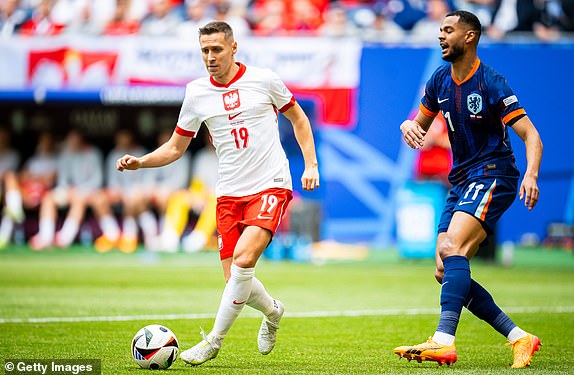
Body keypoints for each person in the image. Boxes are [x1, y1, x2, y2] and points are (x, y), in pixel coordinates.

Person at [116, 21, 319, 366]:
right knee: (235, 281)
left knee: (243, 261)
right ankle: (273, 311)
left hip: (271, 183)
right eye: (204, 51)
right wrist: (142, 162)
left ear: (233, 47)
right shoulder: (196, 92)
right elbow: (176, 148)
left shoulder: (264, 79)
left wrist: (310, 165)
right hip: (228, 193)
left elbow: (299, 119)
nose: (210, 57)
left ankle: (213, 341)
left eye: (216, 50)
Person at [393, 10, 543, 369]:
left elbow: (531, 135)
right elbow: (419, 125)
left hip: (494, 173)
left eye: (448, 30)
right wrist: (406, 125)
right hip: (460, 179)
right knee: (445, 269)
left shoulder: (491, 82)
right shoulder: (439, 80)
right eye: (439, 30)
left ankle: (443, 340)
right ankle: (519, 336)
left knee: (452, 246)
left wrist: (532, 175)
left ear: (470, 36)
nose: (440, 36)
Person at [29, 129, 104, 250]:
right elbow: (63, 178)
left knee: (79, 199)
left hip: (88, 192)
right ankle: (46, 237)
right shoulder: (66, 153)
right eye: (71, 141)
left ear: (81, 141)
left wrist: (80, 190)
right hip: (68, 191)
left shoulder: (93, 153)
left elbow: (97, 180)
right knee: (49, 198)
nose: (73, 143)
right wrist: (68, 189)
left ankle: (65, 238)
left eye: (75, 140)